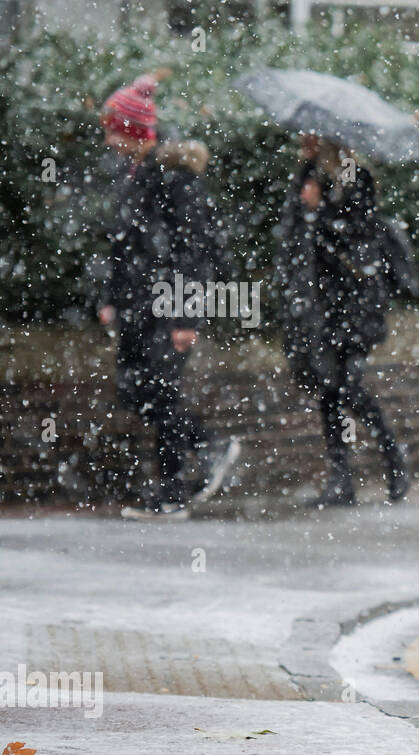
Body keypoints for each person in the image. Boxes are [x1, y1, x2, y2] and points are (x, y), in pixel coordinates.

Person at [98, 72, 240, 520]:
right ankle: (208, 447)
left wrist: (186, 318)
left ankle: (173, 492)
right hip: (139, 306)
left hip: (166, 304)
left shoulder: (174, 181)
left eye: (112, 127)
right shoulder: (136, 175)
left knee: (160, 390)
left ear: (134, 130)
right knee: (135, 390)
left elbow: (194, 252)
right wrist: (110, 298)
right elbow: (125, 246)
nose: (107, 137)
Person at [274, 134, 408, 507]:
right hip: (319, 301)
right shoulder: (307, 175)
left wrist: (319, 213)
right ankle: (340, 478)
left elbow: (360, 235)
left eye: (310, 137)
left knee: (348, 386)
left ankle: (392, 455)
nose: (302, 142)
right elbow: (294, 236)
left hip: (354, 300)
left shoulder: (356, 177)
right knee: (328, 391)